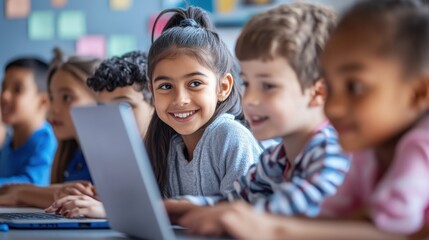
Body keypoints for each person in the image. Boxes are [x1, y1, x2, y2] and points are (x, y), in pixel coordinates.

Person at [173, 0, 429, 239]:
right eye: (247, 83)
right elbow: (334, 215)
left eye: (354, 87)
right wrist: (185, 206)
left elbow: (382, 225)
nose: (336, 106)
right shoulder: (285, 156)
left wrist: (259, 223)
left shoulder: (346, 149)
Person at [47, 6, 261, 219]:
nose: (180, 99)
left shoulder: (230, 136)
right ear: (153, 92)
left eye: (195, 83)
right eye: (166, 86)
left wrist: (117, 212)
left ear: (223, 87)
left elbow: (240, 217)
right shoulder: (170, 145)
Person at [165, 1, 349, 225]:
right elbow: (236, 200)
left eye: (268, 86)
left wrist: (227, 216)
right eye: (247, 83)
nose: (250, 99)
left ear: (317, 92)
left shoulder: (332, 150)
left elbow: (302, 206)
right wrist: (183, 207)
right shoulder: (276, 158)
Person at [44, 51, 154, 218]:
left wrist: (113, 211)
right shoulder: (117, 155)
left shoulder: (168, 154)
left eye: (125, 106)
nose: (112, 117)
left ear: (156, 106)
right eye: (103, 108)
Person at [0, 49, 101, 208]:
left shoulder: (47, 140)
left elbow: (81, 197)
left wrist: (20, 193)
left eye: (67, 97)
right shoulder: (69, 151)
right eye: (52, 98)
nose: (53, 108)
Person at [0, 56, 57, 187]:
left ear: (43, 101)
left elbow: (32, 185)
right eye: (3, 87)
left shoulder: (47, 141)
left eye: (17, 89)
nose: (4, 96)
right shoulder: (8, 142)